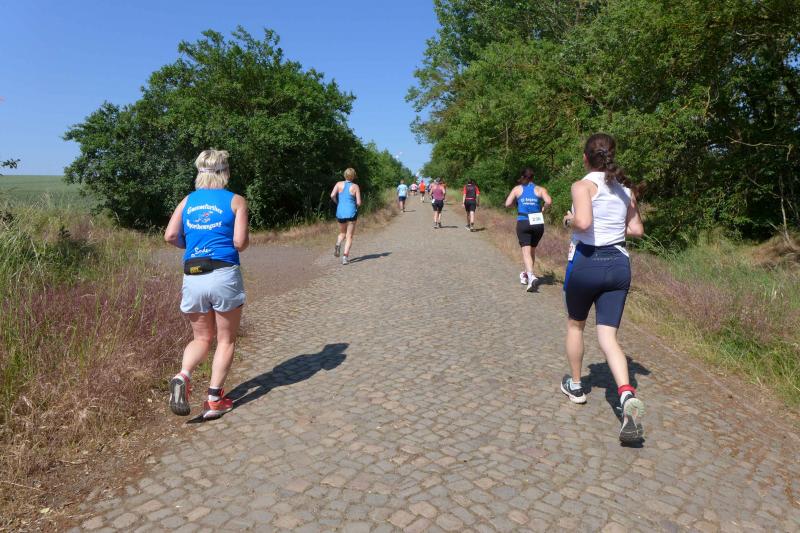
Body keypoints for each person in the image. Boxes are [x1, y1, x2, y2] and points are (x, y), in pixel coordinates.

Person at [561, 133, 645, 444]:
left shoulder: (582, 186)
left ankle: (576, 385)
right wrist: (613, 224)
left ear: (586, 158)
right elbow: (637, 230)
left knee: (576, 325)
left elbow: (583, 223)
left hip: (588, 261)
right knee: (608, 336)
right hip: (619, 265)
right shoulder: (626, 190)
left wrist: (569, 220)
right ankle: (626, 395)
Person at [164, 149, 249, 420]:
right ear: (225, 172)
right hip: (223, 273)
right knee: (226, 339)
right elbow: (239, 243)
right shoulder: (236, 201)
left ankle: (183, 375)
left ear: (199, 172)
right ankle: (214, 400)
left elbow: (170, 235)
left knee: (201, 338)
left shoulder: (187, 201)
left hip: (193, 273)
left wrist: (190, 244)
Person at [504, 168, 551, 292]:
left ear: (522, 177)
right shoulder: (540, 189)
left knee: (526, 252)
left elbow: (507, 204)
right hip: (537, 222)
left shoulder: (517, 189)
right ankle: (526, 274)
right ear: (533, 177)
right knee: (532, 251)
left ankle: (531, 276)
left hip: (524, 221)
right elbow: (548, 201)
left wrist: (516, 205)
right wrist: (543, 208)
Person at [331, 168, 362, 265]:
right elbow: (359, 202)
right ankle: (345, 258)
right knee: (349, 236)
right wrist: (356, 206)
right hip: (351, 212)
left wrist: (337, 203)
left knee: (342, 233)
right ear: (353, 176)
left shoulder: (338, 184)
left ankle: (338, 243)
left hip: (340, 212)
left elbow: (332, 195)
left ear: (345, 175)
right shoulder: (355, 186)